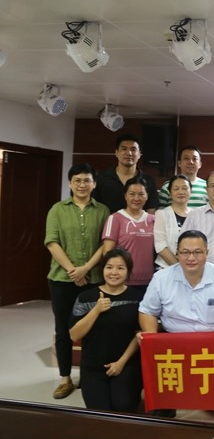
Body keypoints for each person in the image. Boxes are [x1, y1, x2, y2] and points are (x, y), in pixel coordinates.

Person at [45, 163, 110, 399]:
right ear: (70, 184)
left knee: (94, 329)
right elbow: (52, 242)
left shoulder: (103, 211)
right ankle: (65, 378)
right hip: (62, 279)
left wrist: (86, 269)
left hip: (93, 280)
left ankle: (88, 374)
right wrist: (73, 271)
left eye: (87, 180)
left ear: (94, 184)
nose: (82, 185)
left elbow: (105, 244)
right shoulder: (57, 210)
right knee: (63, 329)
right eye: (77, 180)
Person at [69, 248, 143, 412]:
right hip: (93, 366)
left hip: (125, 364)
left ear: (128, 271)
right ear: (102, 269)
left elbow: (139, 334)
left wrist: (121, 363)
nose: (114, 273)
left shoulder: (137, 298)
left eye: (120, 268)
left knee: (124, 406)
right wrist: (96, 310)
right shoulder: (86, 297)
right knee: (100, 412)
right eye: (109, 267)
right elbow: (74, 334)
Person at [139, 229, 214, 333]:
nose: (191, 258)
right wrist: (151, 336)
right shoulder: (161, 278)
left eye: (197, 252)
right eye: (185, 252)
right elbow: (148, 311)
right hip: (173, 339)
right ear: (177, 253)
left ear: (206, 253)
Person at [102, 177, 156, 291]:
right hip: (122, 281)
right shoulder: (115, 218)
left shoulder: (153, 219)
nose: (136, 198)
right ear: (125, 195)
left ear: (147, 196)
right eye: (132, 194)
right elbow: (107, 253)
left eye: (141, 194)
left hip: (150, 281)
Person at [93, 133, 159, 214]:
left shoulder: (148, 180)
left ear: (139, 154)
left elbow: (151, 210)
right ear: (116, 152)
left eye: (133, 149)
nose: (129, 153)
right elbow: (94, 208)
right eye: (124, 149)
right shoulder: (101, 178)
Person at [153, 174, 192, 269]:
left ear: (190, 191)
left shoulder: (195, 214)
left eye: (184, 188)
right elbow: (160, 246)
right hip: (165, 268)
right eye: (176, 189)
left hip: (191, 268)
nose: (181, 192)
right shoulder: (161, 214)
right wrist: (179, 268)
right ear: (170, 192)